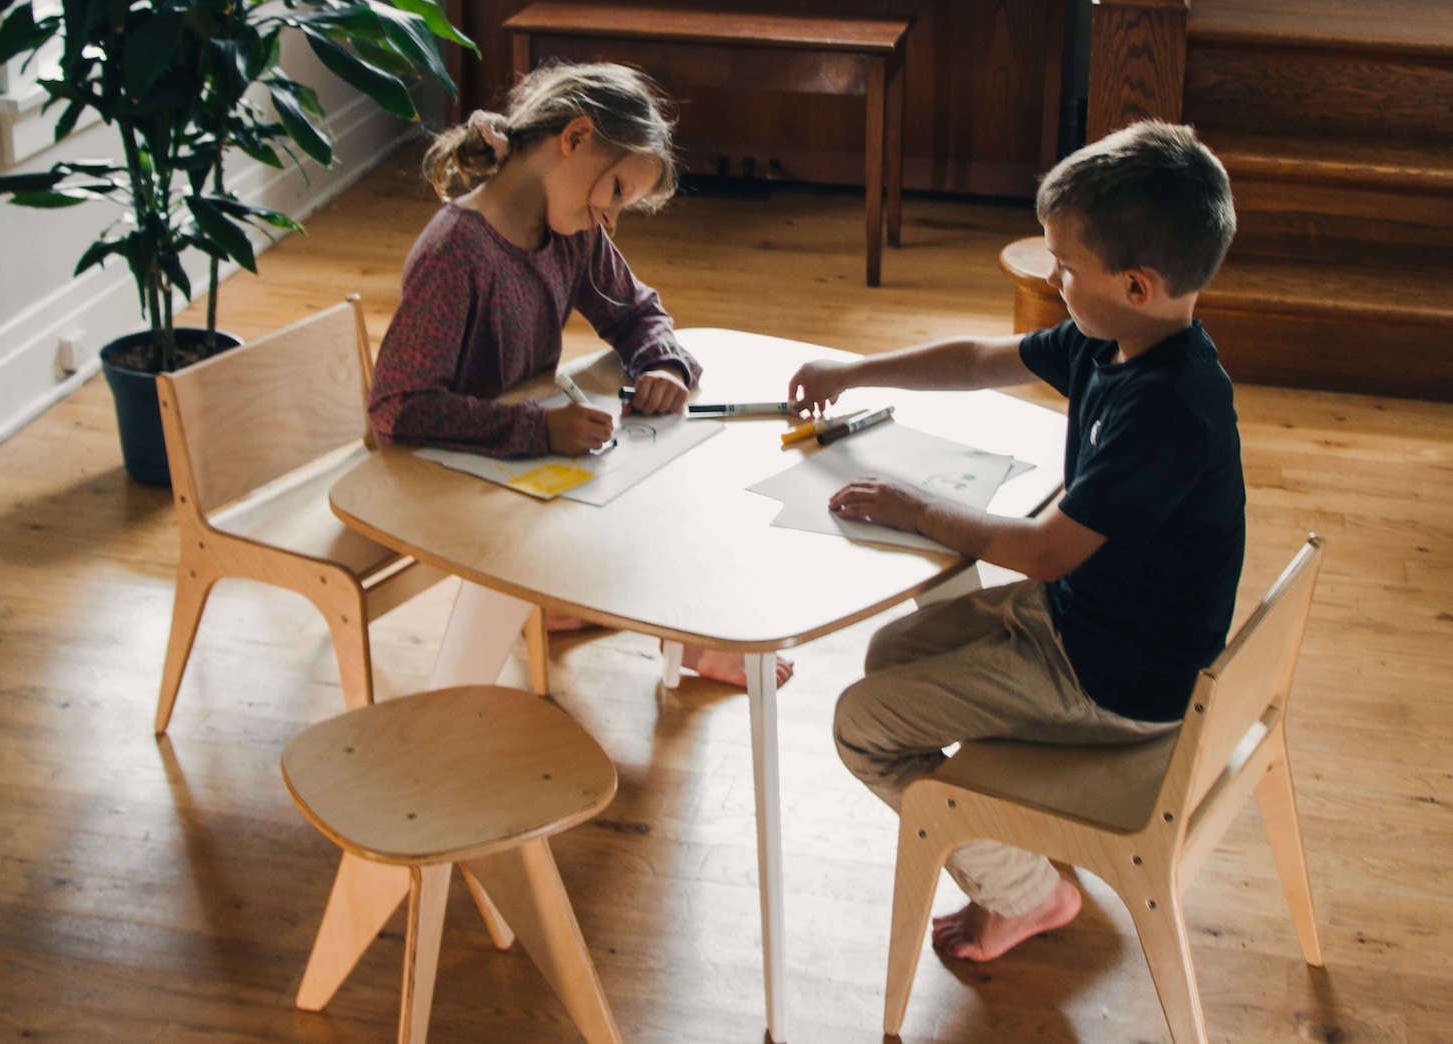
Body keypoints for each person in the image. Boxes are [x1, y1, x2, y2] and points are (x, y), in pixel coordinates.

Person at [788, 120, 1244, 964]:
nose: (1049, 275)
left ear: (1136, 284)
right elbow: (972, 360)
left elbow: (1043, 552)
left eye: (1063, 265)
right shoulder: (1116, 340)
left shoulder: (1170, 408)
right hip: (1086, 629)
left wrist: (916, 509)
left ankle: (1033, 895)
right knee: (890, 653)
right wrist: (852, 370)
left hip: (1114, 684)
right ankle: (1011, 826)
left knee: (860, 726)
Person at [370, 59, 791, 689]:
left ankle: (631, 620)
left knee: (667, 471)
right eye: (617, 191)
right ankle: (634, 619)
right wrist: (539, 431)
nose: (612, 217)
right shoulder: (457, 251)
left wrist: (663, 362)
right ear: (574, 138)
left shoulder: (570, 231)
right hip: (442, 470)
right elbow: (397, 411)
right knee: (639, 501)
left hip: (508, 453)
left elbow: (639, 312)